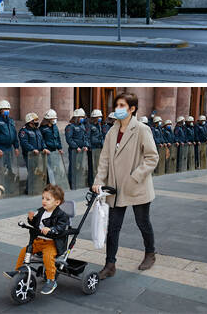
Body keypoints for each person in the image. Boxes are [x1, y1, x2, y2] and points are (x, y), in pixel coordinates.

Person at [92, 92, 158, 280]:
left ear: (132, 109)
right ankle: (110, 264)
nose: (118, 109)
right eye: (117, 105)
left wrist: (136, 176)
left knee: (142, 223)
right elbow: (104, 159)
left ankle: (150, 253)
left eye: (122, 106)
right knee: (113, 227)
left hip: (137, 186)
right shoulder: (112, 131)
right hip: (115, 188)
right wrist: (98, 181)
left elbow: (152, 157)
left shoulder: (142, 130)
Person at [3, 184, 69, 295]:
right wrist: (31, 219)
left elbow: (61, 227)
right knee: (24, 251)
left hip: (51, 243)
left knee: (48, 257)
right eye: (43, 198)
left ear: (57, 202)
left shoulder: (61, 215)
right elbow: (35, 224)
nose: (44, 201)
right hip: (39, 241)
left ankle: (51, 280)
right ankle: (18, 270)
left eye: (48, 199)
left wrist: (51, 229)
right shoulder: (41, 211)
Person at [0, 100, 20, 195]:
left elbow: (14, 134)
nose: (7, 110)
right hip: (1, 149)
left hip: (9, 148)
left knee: (9, 169)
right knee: (0, 170)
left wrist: (16, 146)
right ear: (0, 110)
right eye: (5, 109)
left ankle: (8, 187)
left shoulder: (10, 120)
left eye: (8, 109)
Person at [19, 112, 49, 195]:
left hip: (38, 155)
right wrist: (32, 149)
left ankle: (35, 188)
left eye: (37, 119)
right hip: (29, 155)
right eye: (35, 120)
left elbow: (42, 140)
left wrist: (44, 148)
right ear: (30, 121)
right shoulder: (24, 131)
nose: (37, 121)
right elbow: (24, 143)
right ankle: (29, 190)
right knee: (32, 171)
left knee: (36, 171)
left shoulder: (37, 130)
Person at [65, 109, 89, 188]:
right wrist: (76, 147)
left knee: (80, 167)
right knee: (73, 167)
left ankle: (79, 183)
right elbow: (69, 138)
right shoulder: (70, 126)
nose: (82, 118)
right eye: (81, 117)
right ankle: (72, 183)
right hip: (74, 150)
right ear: (77, 117)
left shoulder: (82, 125)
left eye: (83, 117)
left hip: (81, 150)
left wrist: (85, 145)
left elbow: (84, 137)